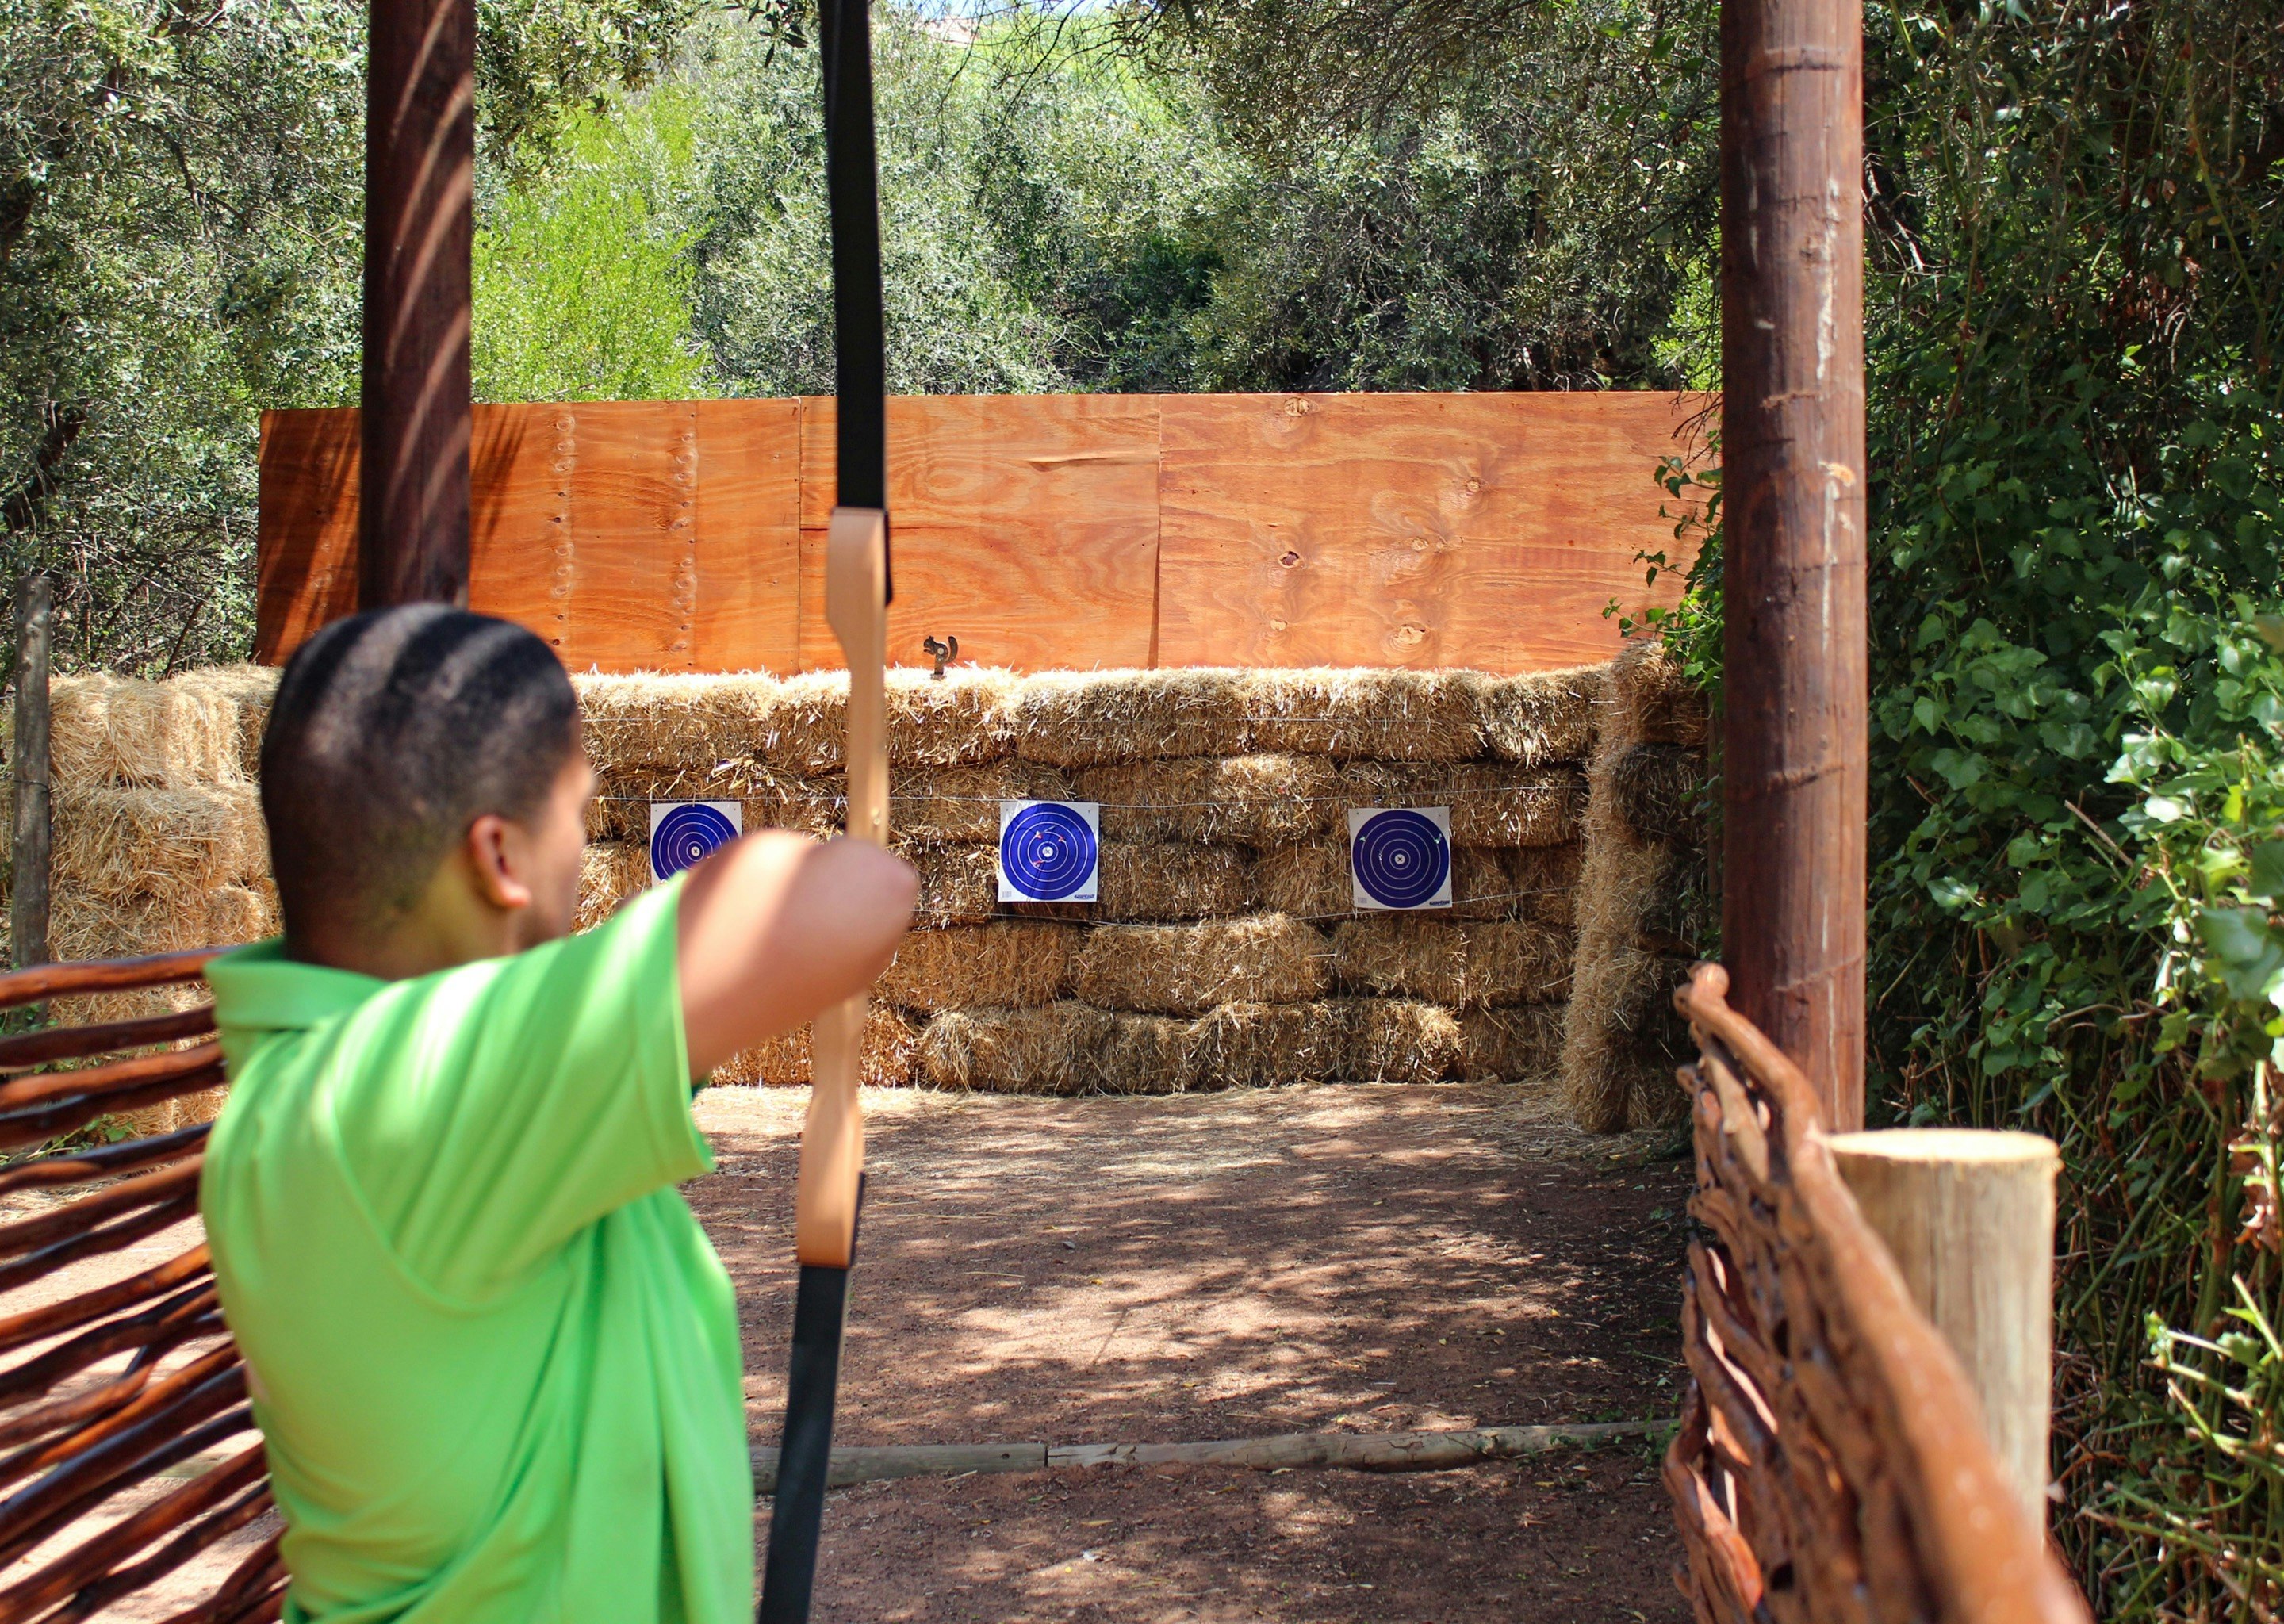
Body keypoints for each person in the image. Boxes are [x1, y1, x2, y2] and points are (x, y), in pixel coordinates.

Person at [200, 606, 916, 1624]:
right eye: (576, 814)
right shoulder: (404, 1100)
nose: (584, 851)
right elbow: (851, 893)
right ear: (500, 856)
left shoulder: (339, 1093)